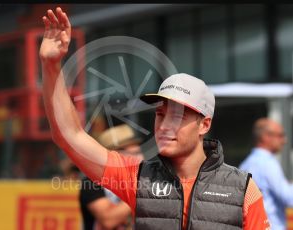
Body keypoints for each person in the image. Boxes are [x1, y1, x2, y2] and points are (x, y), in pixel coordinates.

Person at [39, 7, 270, 229]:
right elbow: (69, 135)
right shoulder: (138, 178)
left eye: (178, 117)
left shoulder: (243, 189)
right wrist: (51, 66)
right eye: (160, 115)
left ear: (204, 124)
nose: (165, 126)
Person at [79, 124, 143, 230]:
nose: (137, 158)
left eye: (138, 152)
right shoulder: (92, 182)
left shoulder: (142, 179)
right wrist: (142, 192)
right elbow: (108, 220)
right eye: (128, 152)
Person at [240, 118, 293, 230]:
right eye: (280, 135)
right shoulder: (267, 163)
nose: (284, 140)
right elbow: (289, 198)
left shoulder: (245, 164)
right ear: (265, 137)